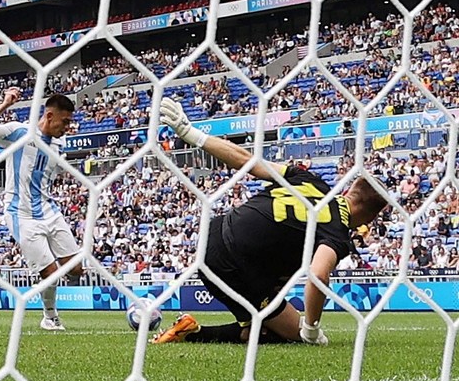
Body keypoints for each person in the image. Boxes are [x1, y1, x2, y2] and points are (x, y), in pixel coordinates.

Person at [152, 98, 387, 346]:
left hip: (213, 233)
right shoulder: (337, 232)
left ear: (349, 188)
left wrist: (190, 133)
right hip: (231, 263)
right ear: (370, 217)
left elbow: (246, 161)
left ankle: (193, 330)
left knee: (267, 315)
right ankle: (194, 333)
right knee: (291, 336)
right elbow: (318, 275)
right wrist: (310, 328)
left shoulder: (310, 180)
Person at [0, 88, 83, 331]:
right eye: (64, 122)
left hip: (49, 211)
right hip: (20, 214)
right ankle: (49, 316)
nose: (67, 127)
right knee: (52, 272)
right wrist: (4, 105)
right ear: (50, 115)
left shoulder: (57, 146)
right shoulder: (19, 131)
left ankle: (48, 281)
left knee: (76, 268)